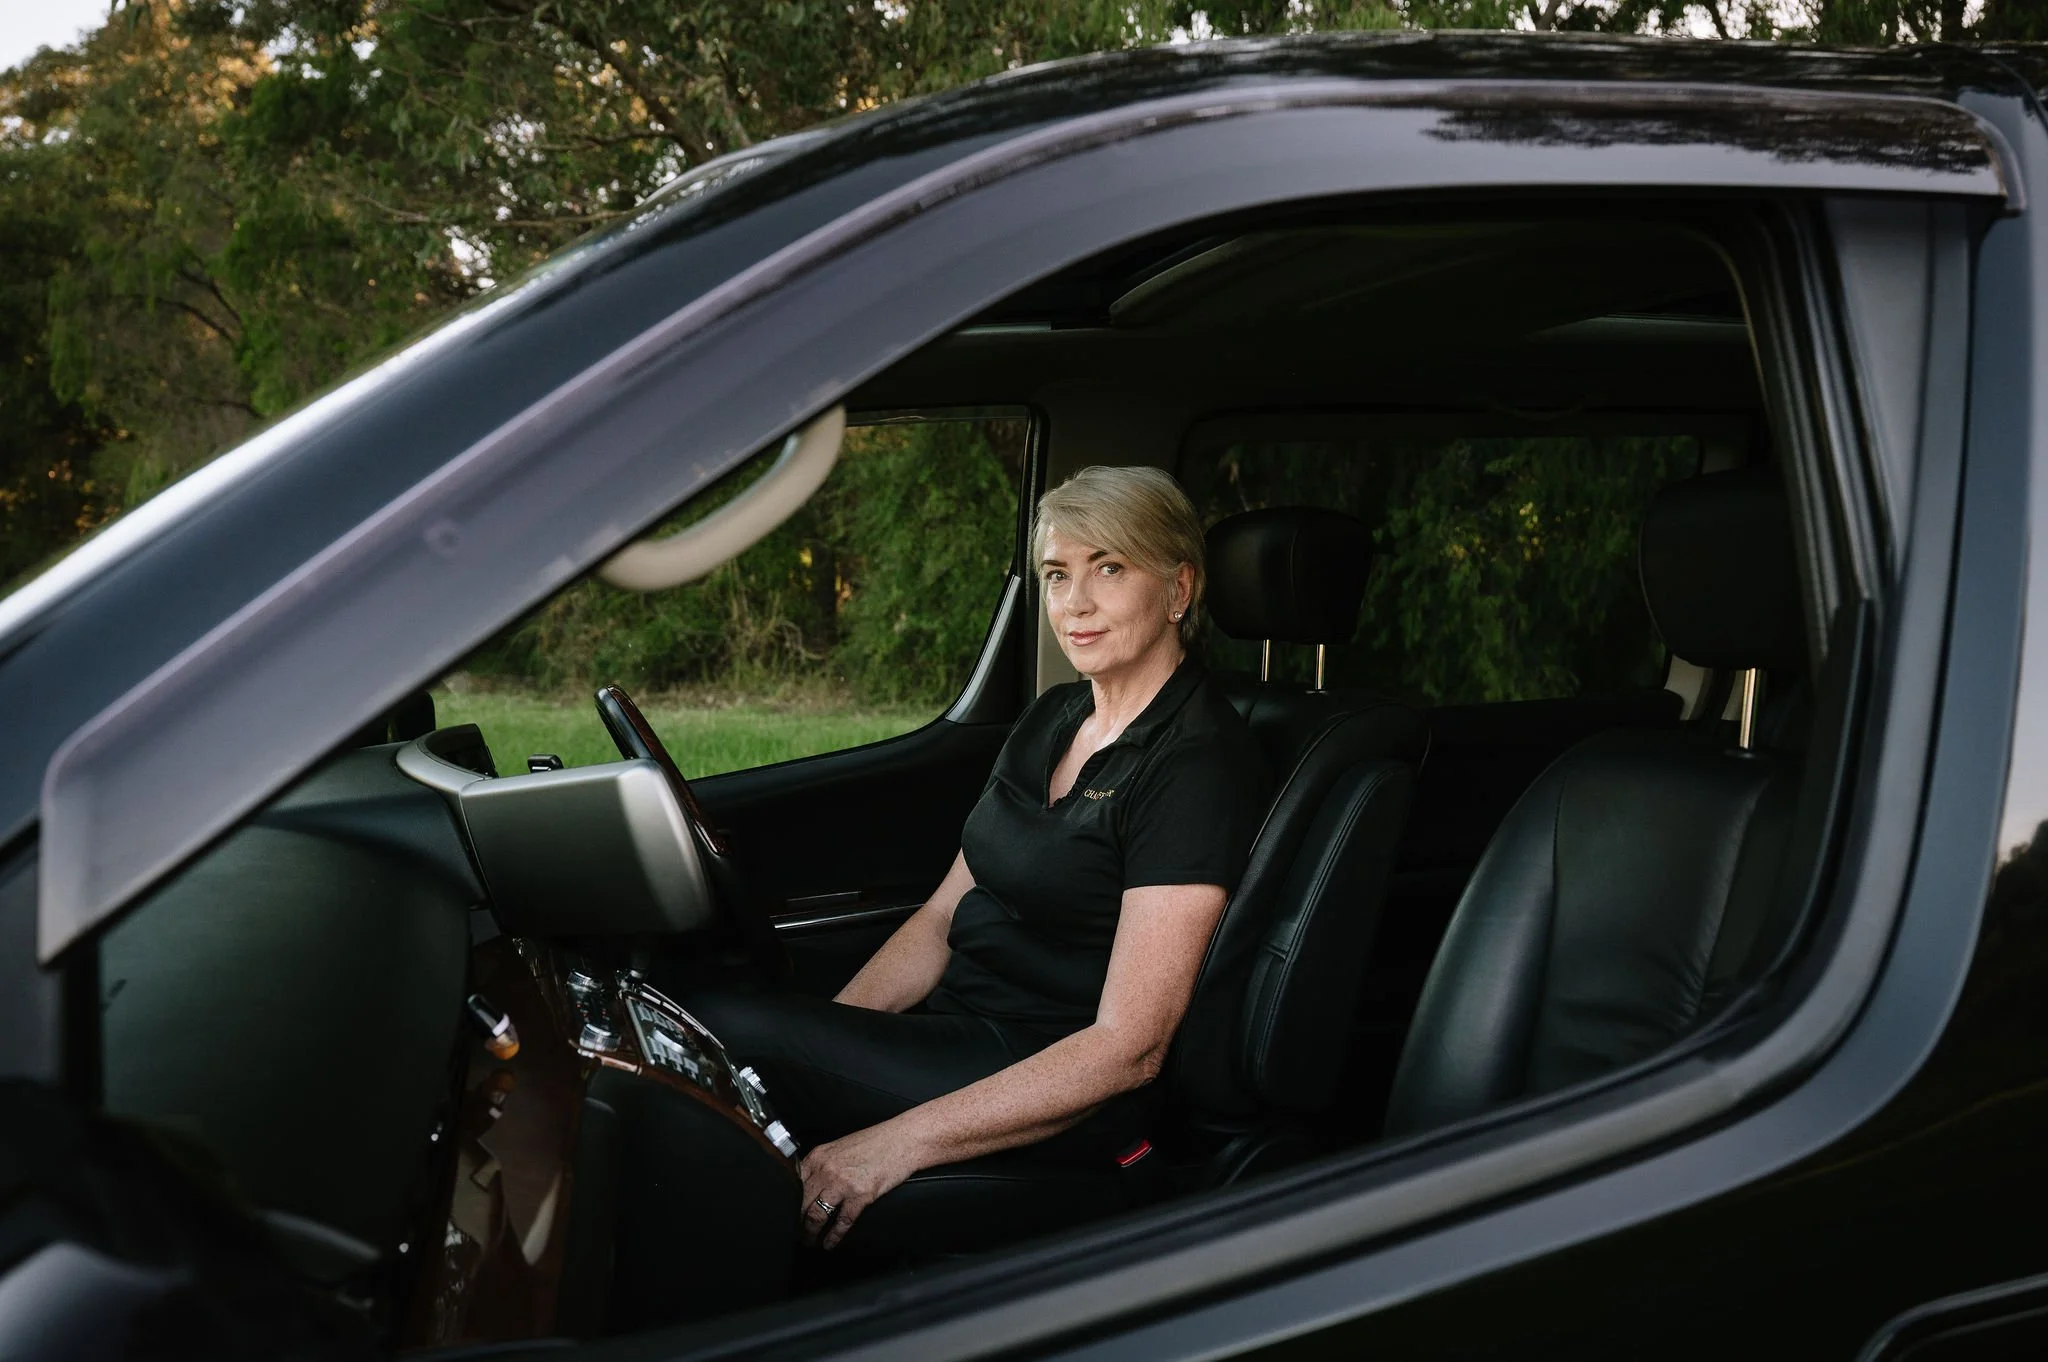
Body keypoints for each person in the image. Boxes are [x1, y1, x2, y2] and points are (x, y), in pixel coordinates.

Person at [691, 465, 1270, 1251]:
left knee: (733, 1028)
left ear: (1178, 591)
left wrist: (890, 1140)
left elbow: (1129, 1048)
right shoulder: (1055, 716)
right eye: (1058, 574)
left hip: (1061, 1074)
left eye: (1110, 568)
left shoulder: (1193, 764)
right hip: (959, 1035)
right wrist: (829, 1043)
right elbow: (941, 916)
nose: (1076, 603)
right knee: (727, 1022)